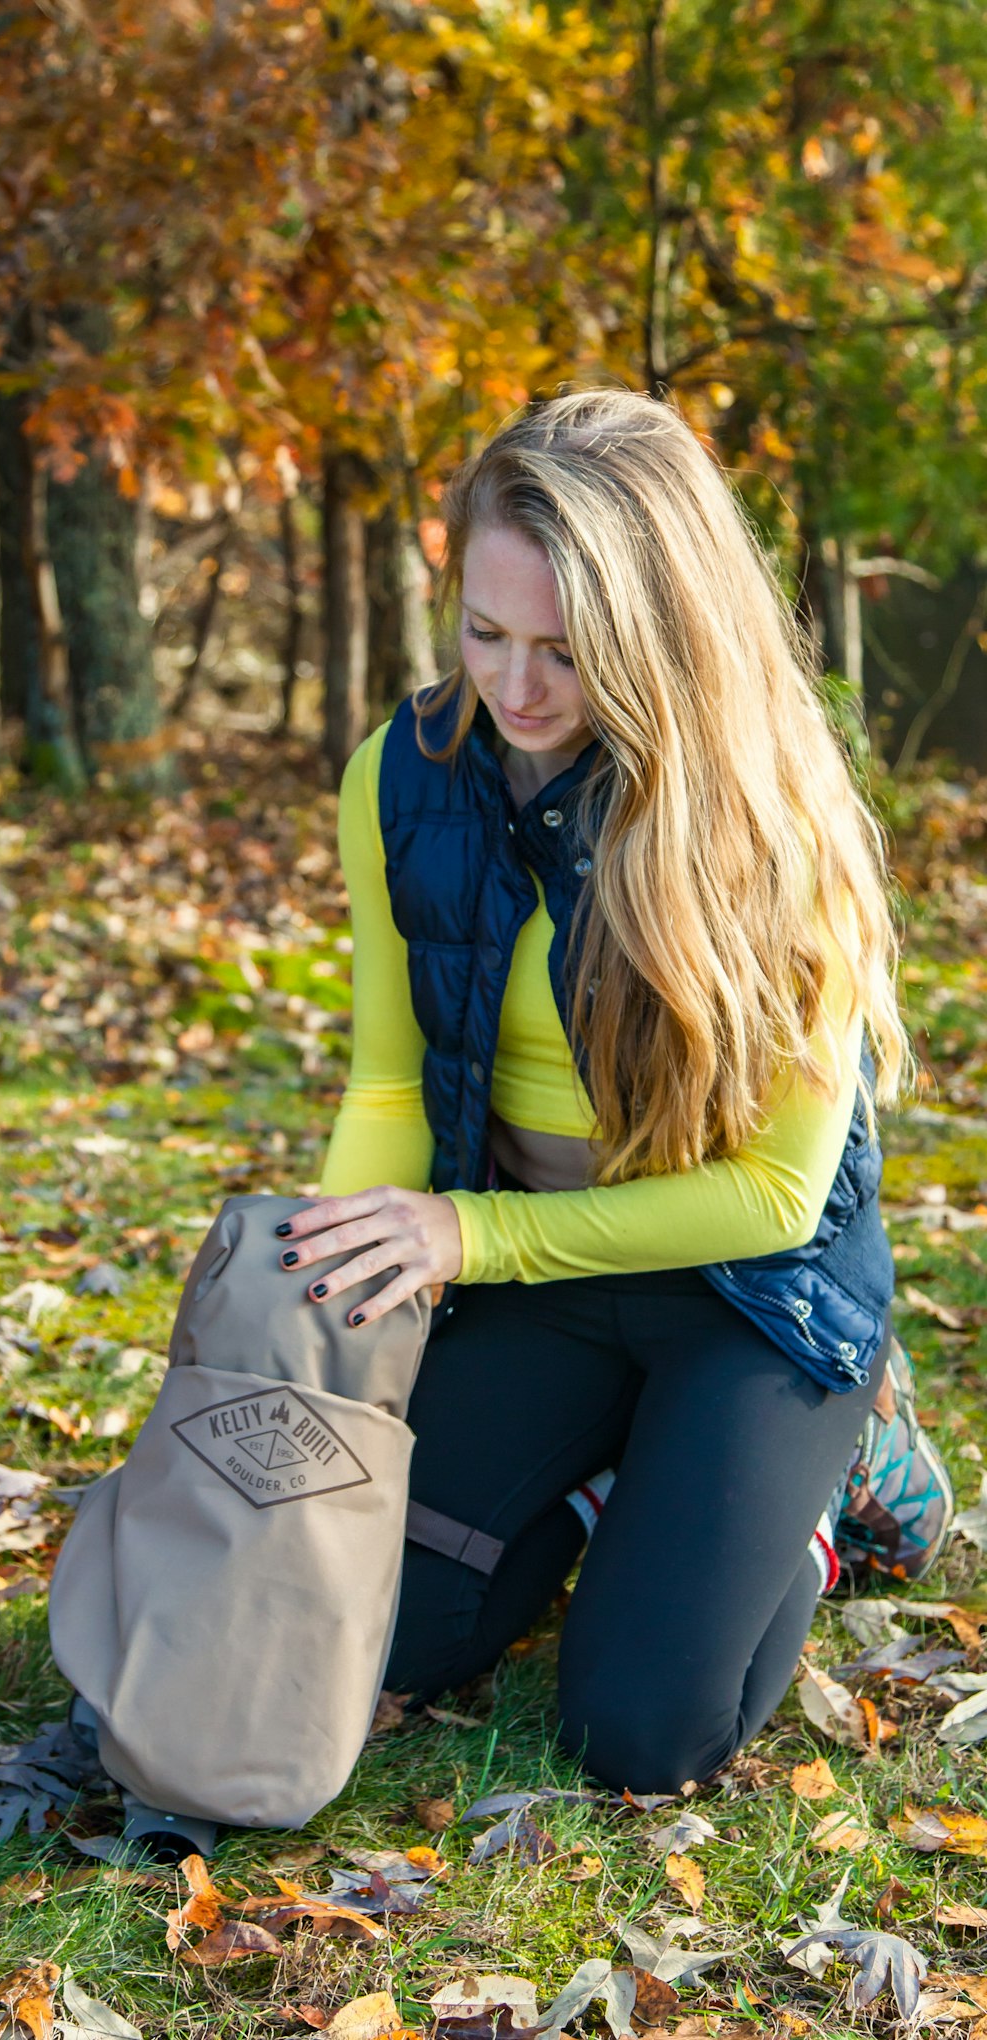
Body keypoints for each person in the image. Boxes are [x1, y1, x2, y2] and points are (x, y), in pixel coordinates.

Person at [271, 385, 925, 1794]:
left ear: (661, 635)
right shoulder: (404, 772)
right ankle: (616, 1467)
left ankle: (827, 1474)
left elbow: (771, 1194)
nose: (513, 691)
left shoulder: (775, 814)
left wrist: (470, 1239)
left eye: (566, 653)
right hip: (543, 1279)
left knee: (641, 1732)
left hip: (756, 1293)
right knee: (391, 1636)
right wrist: (330, 1313)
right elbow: (390, 1078)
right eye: (484, 632)